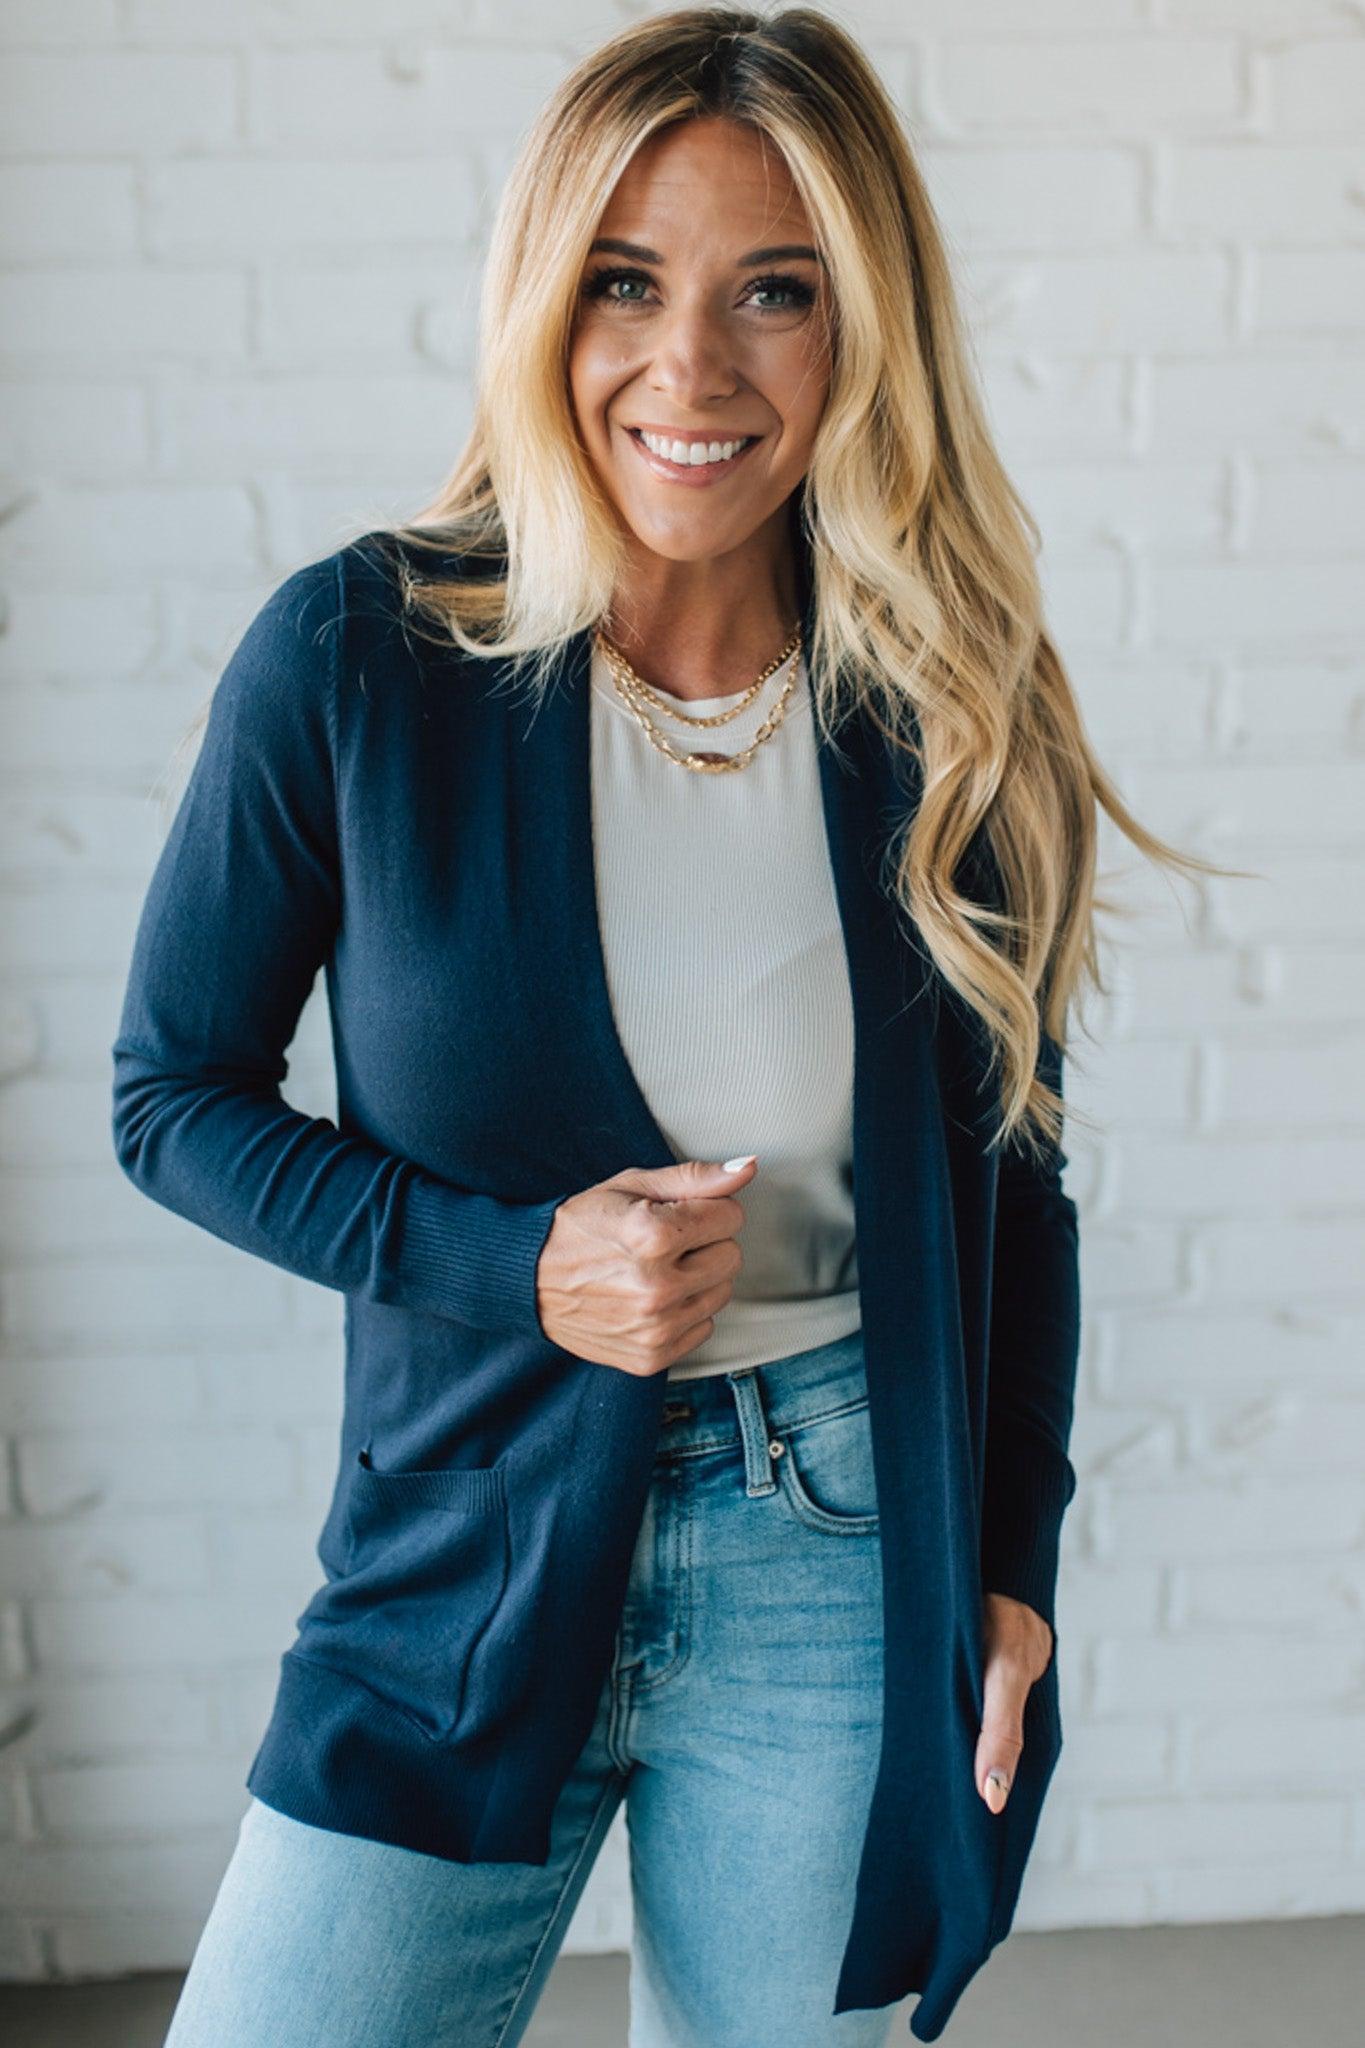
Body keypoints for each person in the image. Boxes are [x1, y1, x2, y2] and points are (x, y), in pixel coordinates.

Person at [112, 9, 1214, 2044]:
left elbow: (1016, 1186)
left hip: (835, 1554)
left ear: (856, 328)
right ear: (545, 300)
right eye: (626, 281)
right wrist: (511, 1262)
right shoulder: (357, 660)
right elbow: (167, 1097)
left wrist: (1007, 1568)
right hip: (454, 1563)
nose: (687, 369)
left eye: (771, 293)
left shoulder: (954, 706)